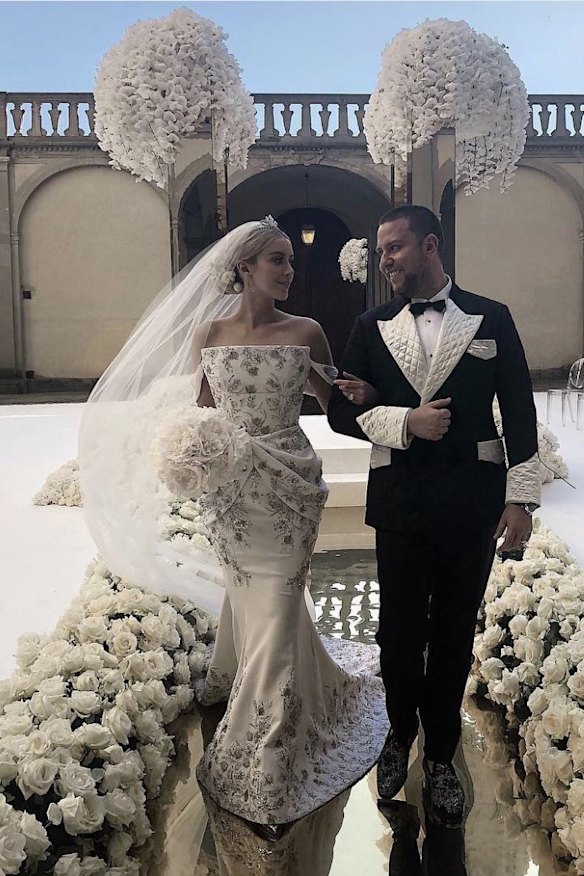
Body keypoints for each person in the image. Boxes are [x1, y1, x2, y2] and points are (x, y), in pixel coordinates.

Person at [79, 217, 388, 834]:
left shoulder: (308, 332)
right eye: (277, 260)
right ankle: (248, 677)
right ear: (244, 267)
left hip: (289, 486)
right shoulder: (209, 333)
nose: (288, 270)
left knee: (275, 600)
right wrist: (191, 457)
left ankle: (268, 756)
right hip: (231, 497)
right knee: (260, 602)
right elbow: (197, 414)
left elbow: (337, 409)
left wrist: (371, 397)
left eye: (289, 262)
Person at [328, 205, 540, 827]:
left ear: (429, 245)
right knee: (397, 634)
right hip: (399, 503)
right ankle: (399, 735)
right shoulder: (371, 325)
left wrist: (520, 499)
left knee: (452, 634)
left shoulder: (490, 318)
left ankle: (441, 756)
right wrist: (403, 421)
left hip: (471, 503)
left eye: (393, 248)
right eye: (381, 251)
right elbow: (342, 413)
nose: (384, 261)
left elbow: (520, 409)